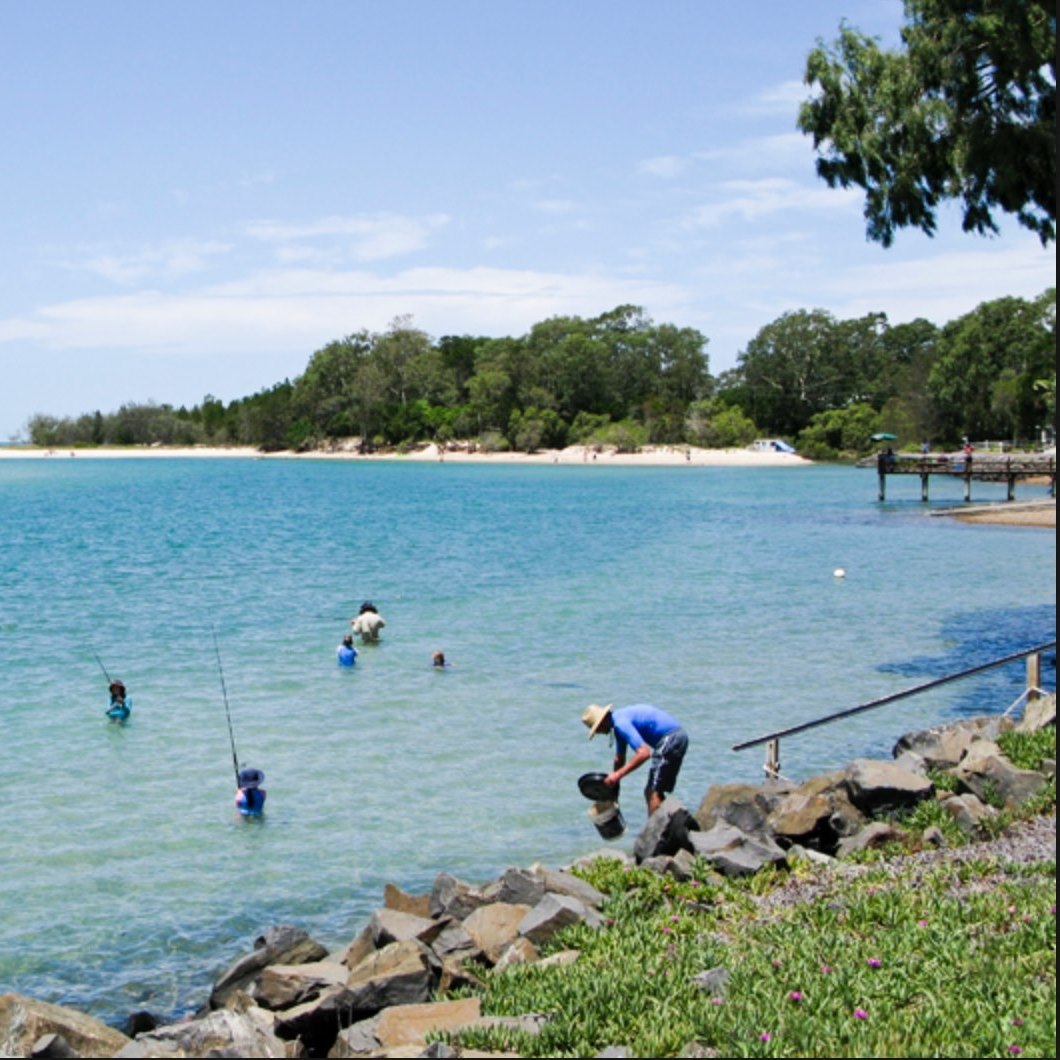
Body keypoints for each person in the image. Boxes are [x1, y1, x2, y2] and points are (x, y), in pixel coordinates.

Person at [581, 702, 688, 815]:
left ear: (601, 722)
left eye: (597, 729)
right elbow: (619, 759)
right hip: (675, 737)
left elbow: (644, 753)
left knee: (652, 792)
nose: (599, 733)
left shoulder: (620, 724)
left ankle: (655, 826)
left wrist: (617, 775)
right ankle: (667, 821)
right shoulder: (618, 721)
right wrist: (614, 790)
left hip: (671, 738)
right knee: (656, 790)